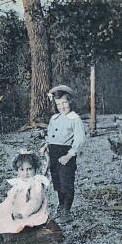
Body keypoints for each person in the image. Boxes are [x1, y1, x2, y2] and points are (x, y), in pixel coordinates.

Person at [0, 150, 50, 244]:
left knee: (7, 221)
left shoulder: (36, 183)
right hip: (16, 210)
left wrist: (23, 212)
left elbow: (35, 201)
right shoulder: (19, 183)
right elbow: (10, 199)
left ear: (35, 169)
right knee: (0, 215)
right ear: (17, 170)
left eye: (29, 169)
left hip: (30, 213)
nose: (26, 173)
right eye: (22, 170)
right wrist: (6, 208)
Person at [39, 85, 85, 224]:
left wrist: (69, 155)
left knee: (66, 183)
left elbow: (80, 139)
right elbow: (51, 135)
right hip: (54, 153)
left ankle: (67, 210)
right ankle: (61, 206)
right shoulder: (54, 118)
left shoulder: (74, 119)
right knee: (58, 183)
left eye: (64, 103)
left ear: (70, 102)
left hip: (66, 154)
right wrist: (47, 144)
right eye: (59, 104)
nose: (62, 106)